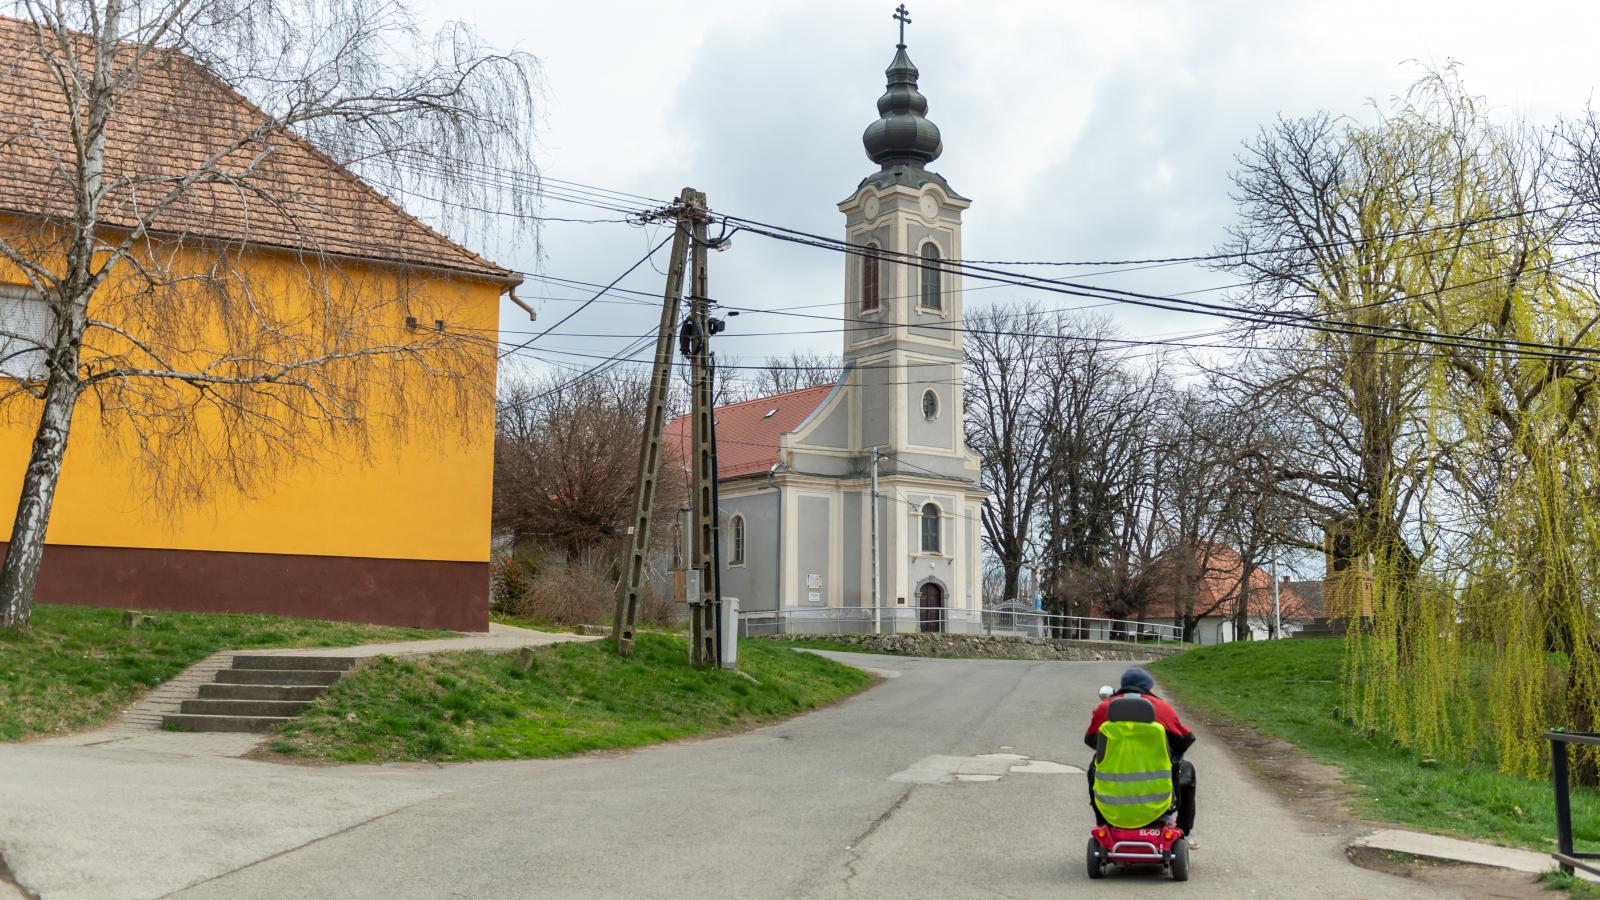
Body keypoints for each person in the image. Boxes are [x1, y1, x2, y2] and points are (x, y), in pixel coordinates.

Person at [1084, 667, 1198, 843]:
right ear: (1147, 688)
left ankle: (1103, 823)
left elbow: (1091, 740)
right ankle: (1184, 829)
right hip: (1157, 793)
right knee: (1187, 769)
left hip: (1113, 794)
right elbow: (1184, 740)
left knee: (1094, 769)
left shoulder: (1104, 709)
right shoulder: (1161, 708)